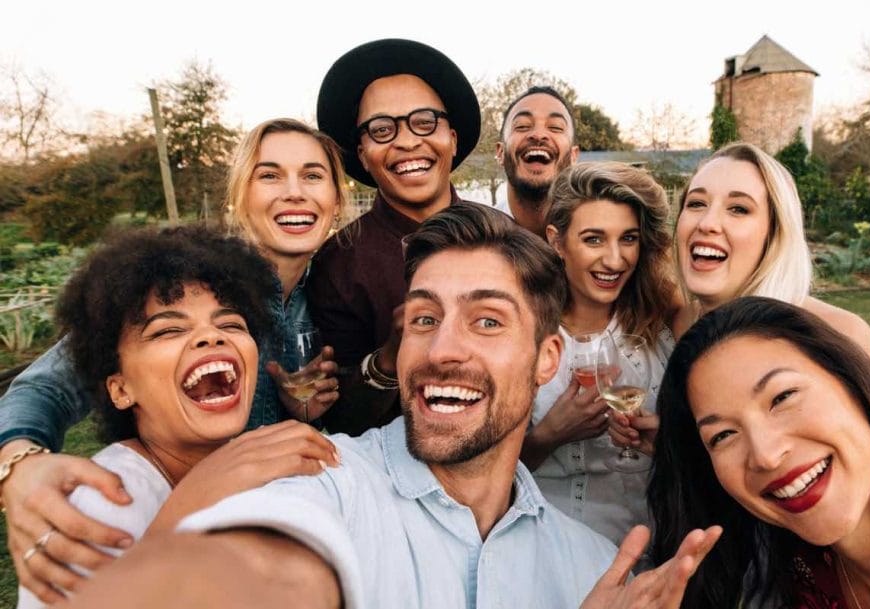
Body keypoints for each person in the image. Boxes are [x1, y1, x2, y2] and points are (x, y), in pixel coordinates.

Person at [61, 205, 724, 609]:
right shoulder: (320, 480)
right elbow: (258, 569)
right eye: (424, 316)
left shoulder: (594, 569)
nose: (443, 348)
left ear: (548, 358)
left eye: (488, 321)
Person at [0, 118, 347, 601]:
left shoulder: (331, 295)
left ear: (336, 198)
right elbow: (47, 386)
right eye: (269, 175)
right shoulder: (185, 283)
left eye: (312, 175)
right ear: (239, 196)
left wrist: (299, 408)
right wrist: (17, 464)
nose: (294, 192)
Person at [647, 296, 870, 609]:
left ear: (855, 384)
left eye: (782, 397)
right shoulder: (801, 574)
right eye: (722, 435)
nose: (765, 455)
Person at [609, 142, 870, 454]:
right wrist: (672, 446)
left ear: (774, 233)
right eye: (696, 203)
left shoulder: (838, 335)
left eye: (739, 209)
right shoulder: (684, 326)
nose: (708, 223)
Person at [306, 38, 483, 436]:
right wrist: (388, 358)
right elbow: (337, 420)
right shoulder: (338, 263)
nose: (406, 141)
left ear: (452, 139)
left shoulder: (507, 239)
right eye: (382, 129)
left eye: (424, 122)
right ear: (363, 153)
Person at [520, 162, 678, 547]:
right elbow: (476, 473)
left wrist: (664, 445)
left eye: (628, 239)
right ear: (557, 241)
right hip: (549, 547)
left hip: (653, 542)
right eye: (593, 239)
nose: (614, 259)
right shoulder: (524, 336)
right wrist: (550, 435)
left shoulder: (663, 329)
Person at [494, 85, 580, 234]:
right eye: (522, 126)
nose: (538, 135)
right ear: (501, 153)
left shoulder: (595, 237)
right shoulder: (476, 239)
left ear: (573, 156)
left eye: (556, 127)